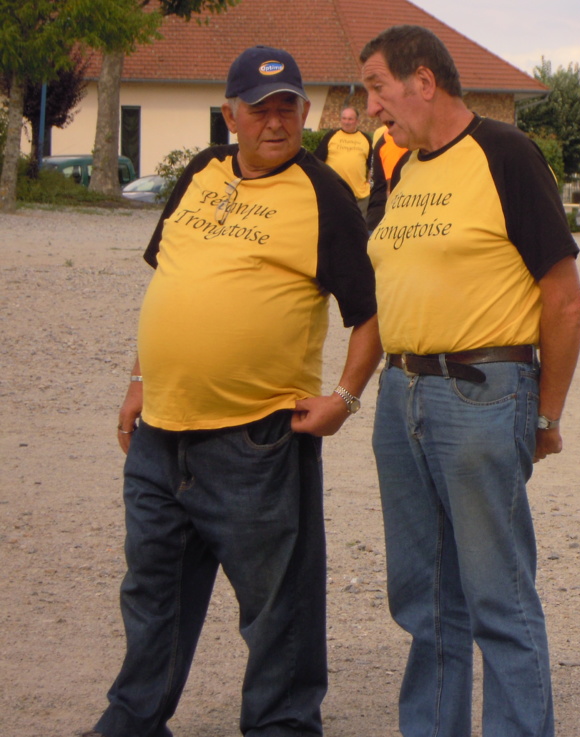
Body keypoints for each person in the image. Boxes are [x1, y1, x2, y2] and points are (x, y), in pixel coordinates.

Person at [86, 46, 380, 737]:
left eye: (288, 108)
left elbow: (369, 317)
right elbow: (170, 284)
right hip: (160, 432)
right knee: (151, 589)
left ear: (305, 113)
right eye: (259, 108)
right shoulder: (199, 172)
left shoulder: (321, 193)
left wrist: (344, 397)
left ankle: (281, 723)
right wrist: (137, 379)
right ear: (231, 115)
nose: (275, 122)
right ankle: (133, 717)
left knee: (278, 606)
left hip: (256, 438)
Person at [359, 25, 580, 737]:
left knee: (498, 595)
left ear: (423, 80)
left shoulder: (506, 155)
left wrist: (545, 415)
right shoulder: (402, 168)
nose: (370, 108)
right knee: (424, 598)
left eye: (376, 88)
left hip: (481, 389)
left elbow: (565, 295)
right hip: (403, 397)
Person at [314, 105, 373, 215]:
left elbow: (372, 166)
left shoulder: (366, 139)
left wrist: (369, 185)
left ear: (357, 121)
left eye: (350, 119)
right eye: (344, 118)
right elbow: (317, 162)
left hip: (359, 196)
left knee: (357, 230)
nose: (347, 122)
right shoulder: (331, 136)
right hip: (333, 193)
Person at [364, 122, 407, 228]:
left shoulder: (392, 136)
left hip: (379, 217)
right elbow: (391, 188)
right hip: (385, 221)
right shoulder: (395, 140)